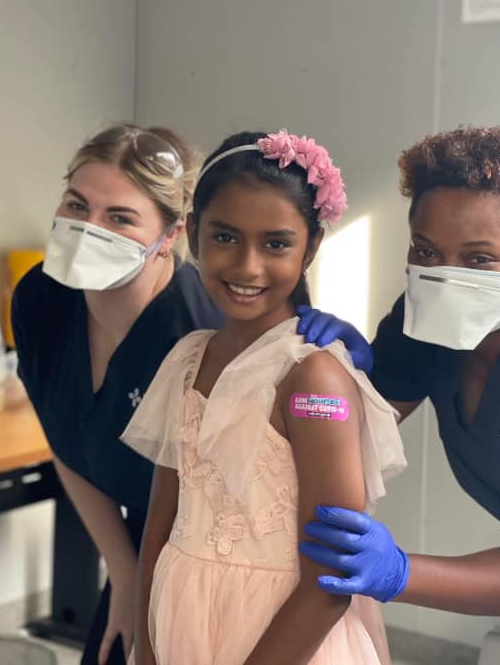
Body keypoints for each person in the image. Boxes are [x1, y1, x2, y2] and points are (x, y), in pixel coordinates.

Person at [121, 129, 407, 664]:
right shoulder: (187, 359)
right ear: (194, 236)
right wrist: (147, 644)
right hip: (180, 620)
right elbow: (158, 527)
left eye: (276, 243)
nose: (247, 267)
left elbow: (331, 576)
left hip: (285, 640)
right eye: (225, 237)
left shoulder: (312, 379)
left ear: (311, 247)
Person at [298, 126, 500, 617]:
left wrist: (399, 571)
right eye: (425, 251)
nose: (443, 277)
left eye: (479, 260)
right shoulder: (424, 316)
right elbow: (361, 427)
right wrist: (336, 375)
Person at [11, 125, 226, 665]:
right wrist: (126, 578)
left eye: (120, 217)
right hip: (140, 541)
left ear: (171, 234)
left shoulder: (202, 339)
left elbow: (223, 515)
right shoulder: (42, 299)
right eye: (77, 205)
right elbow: (68, 442)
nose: (88, 229)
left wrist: (149, 593)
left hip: (216, 556)